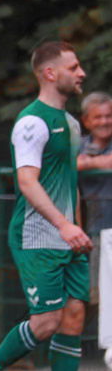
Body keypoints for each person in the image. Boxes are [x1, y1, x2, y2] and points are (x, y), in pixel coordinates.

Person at [0, 41, 104, 371]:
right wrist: (63, 225)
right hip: (36, 237)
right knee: (46, 323)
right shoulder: (31, 123)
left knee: (75, 316)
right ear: (50, 73)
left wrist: (77, 228)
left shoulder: (74, 124)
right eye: (73, 67)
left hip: (68, 238)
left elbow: (69, 184)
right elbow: (27, 182)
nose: (81, 73)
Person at [76, 91, 112, 303]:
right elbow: (59, 165)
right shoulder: (77, 145)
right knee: (96, 296)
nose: (104, 122)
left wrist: (85, 163)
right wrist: (98, 162)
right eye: (98, 117)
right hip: (92, 234)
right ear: (86, 121)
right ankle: (101, 338)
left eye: (109, 116)